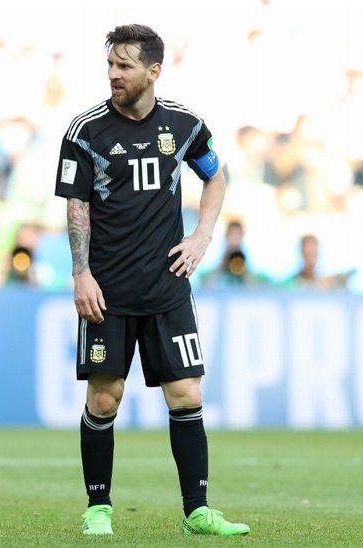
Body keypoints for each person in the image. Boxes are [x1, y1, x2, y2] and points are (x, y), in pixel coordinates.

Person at [54, 25, 249, 537]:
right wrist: (81, 273)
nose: (113, 74)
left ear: (153, 70)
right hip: (108, 291)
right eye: (110, 65)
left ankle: (198, 511)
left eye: (124, 65)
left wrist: (202, 236)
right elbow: (77, 206)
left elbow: (216, 176)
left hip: (167, 286)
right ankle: (98, 508)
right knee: (105, 399)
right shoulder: (86, 131)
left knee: (187, 394)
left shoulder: (183, 125)